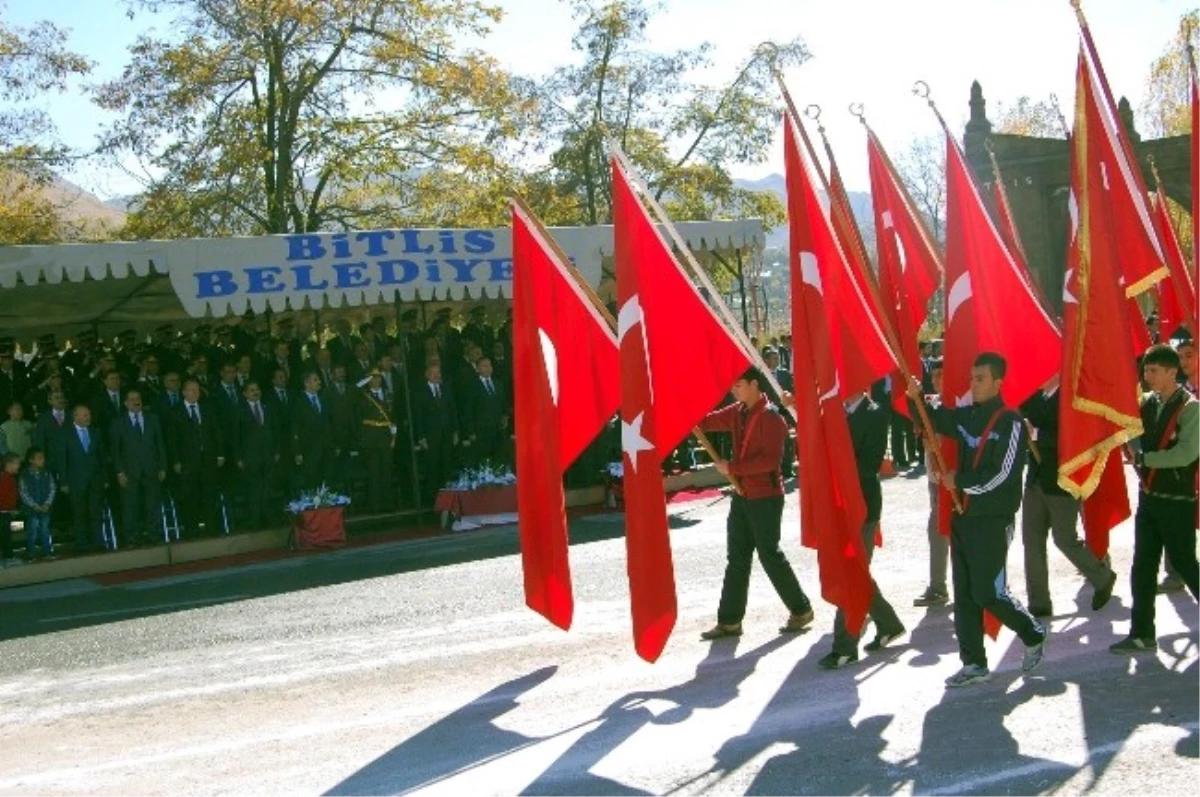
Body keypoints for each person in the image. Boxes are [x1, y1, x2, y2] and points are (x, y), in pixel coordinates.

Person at [908, 352, 1047, 686]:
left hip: (993, 518)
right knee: (965, 594)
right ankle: (974, 664)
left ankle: (1032, 632)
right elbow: (934, 419)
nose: (974, 384)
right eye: (972, 378)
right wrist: (914, 398)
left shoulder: (1010, 422)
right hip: (964, 515)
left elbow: (1003, 474)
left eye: (980, 378)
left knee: (987, 591)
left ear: (998, 382)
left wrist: (962, 482)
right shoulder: (967, 416)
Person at [697, 367, 814, 640]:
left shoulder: (772, 418)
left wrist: (733, 467)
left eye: (738, 385)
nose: (734, 390)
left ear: (754, 384)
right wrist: (686, 413)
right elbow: (706, 422)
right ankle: (729, 621)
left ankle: (801, 609)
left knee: (769, 554)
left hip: (766, 497)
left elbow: (770, 462)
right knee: (736, 557)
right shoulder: (737, 411)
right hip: (742, 495)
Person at [1111, 344, 1200, 654]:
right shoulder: (1145, 403)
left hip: (1178, 500)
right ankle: (1142, 633)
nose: (1147, 376)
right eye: (1146, 371)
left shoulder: (1191, 408)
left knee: (1188, 566)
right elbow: (1129, 431)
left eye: (1153, 371)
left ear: (1171, 373)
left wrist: (1146, 458)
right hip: (1150, 498)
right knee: (1143, 567)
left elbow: (1186, 453)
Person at [818, 390, 906, 669]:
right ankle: (889, 624)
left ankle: (844, 646)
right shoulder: (834, 411)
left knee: (850, 573)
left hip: (862, 505)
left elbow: (870, 463)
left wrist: (837, 466)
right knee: (856, 573)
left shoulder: (875, 412)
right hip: (839, 504)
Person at [1018, 375, 1118, 617]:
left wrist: (1036, 435)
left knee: (1064, 538)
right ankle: (1039, 601)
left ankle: (1102, 575)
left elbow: (1073, 438)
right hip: (1036, 478)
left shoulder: (1071, 398)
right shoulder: (1033, 396)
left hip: (1063, 480)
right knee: (1032, 540)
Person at [1159, 337, 1197, 593]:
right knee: (1178, 520)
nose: (1183, 361)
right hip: (1184, 468)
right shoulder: (1181, 392)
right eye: (1180, 356)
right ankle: (1176, 573)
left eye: (1189, 355)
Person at [110, 390, 168, 547]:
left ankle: (154, 534)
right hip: (129, 471)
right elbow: (115, 451)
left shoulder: (153, 419)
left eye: (138, 398)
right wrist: (119, 472)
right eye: (132, 399)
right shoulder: (118, 423)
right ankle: (132, 537)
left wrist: (163, 466)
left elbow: (160, 444)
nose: (136, 401)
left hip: (151, 468)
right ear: (125, 403)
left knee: (153, 504)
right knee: (130, 506)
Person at [913, 358, 950, 607]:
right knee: (937, 532)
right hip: (934, 478)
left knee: (940, 531)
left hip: (951, 480)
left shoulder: (958, 404)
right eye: (934, 375)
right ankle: (938, 586)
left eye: (941, 375)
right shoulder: (933, 402)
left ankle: (940, 586)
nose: (937, 380)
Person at [57, 405, 107, 553]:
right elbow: (62, 460)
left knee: (96, 510)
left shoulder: (96, 432)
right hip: (75, 480)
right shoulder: (65, 434)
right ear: (75, 417)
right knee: (79, 512)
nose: (88, 417)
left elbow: (101, 457)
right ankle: (82, 542)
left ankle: (98, 540)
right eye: (85, 415)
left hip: (95, 479)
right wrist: (64, 481)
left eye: (89, 414)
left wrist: (104, 478)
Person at [19, 447, 55, 561]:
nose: (42, 460)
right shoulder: (24, 474)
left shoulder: (47, 473)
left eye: (43, 458)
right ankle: (31, 552)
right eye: (39, 458)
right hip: (31, 509)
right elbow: (23, 492)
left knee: (45, 530)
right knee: (32, 531)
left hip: (45, 507)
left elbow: (52, 488)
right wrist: (34, 505)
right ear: (31, 460)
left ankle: (47, 552)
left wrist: (47, 504)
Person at [0, 452, 19, 566]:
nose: (18, 466)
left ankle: (8, 556)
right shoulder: (5, 478)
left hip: (5, 512)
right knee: (5, 535)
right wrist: (9, 508)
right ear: (9, 464)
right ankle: (8, 557)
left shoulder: (9, 478)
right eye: (17, 463)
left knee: (6, 535)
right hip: (3, 513)